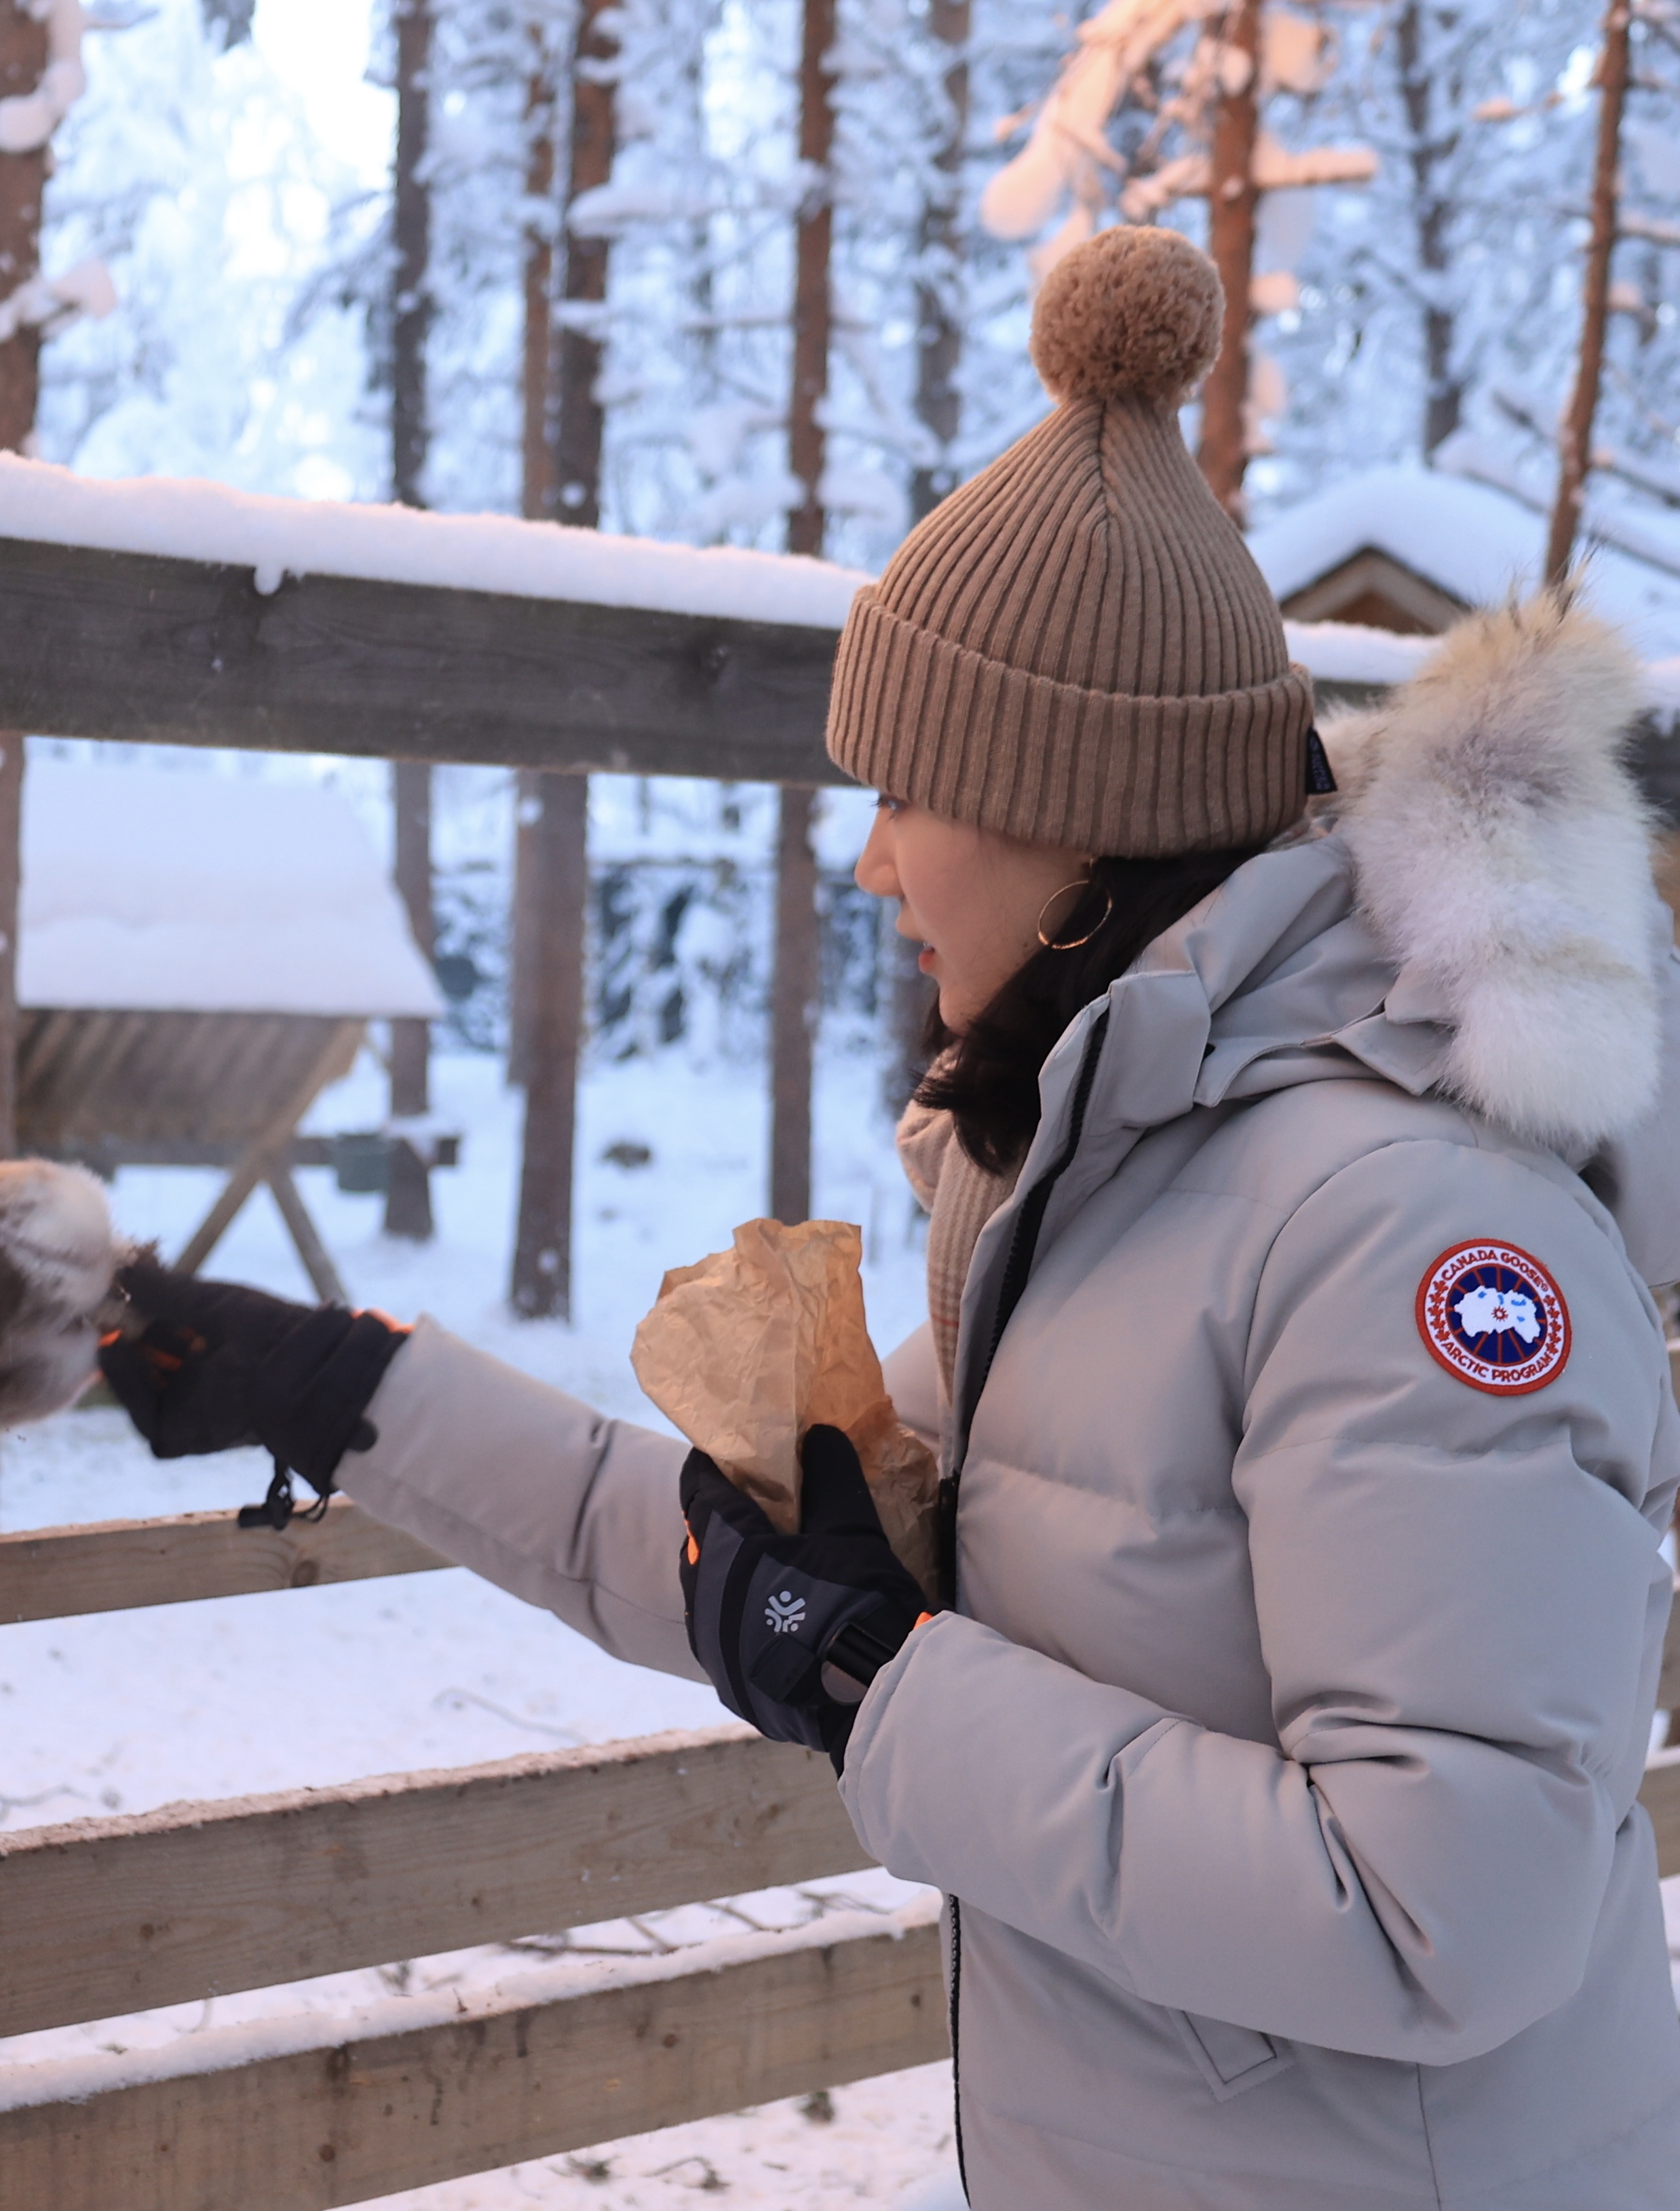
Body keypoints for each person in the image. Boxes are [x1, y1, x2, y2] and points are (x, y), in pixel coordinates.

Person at [101, 224, 1680, 2209]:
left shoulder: (1401, 1230)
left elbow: (1441, 1910)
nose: (866, 862)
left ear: (1066, 816)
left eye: (900, 791)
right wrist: (329, 1384)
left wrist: (875, 1681)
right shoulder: (1103, 1194)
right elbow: (755, 1556)